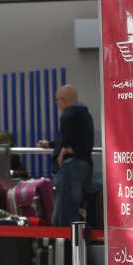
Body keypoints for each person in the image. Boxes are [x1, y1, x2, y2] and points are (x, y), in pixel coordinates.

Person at [37, 85, 94, 227]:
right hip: (85, 167)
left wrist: (64, 151)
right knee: (74, 211)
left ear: (62, 100)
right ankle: (78, 248)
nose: (57, 104)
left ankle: (68, 248)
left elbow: (67, 140)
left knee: (63, 217)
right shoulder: (84, 114)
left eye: (57, 101)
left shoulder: (68, 113)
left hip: (70, 169)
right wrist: (51, 144)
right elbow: (81, 140)